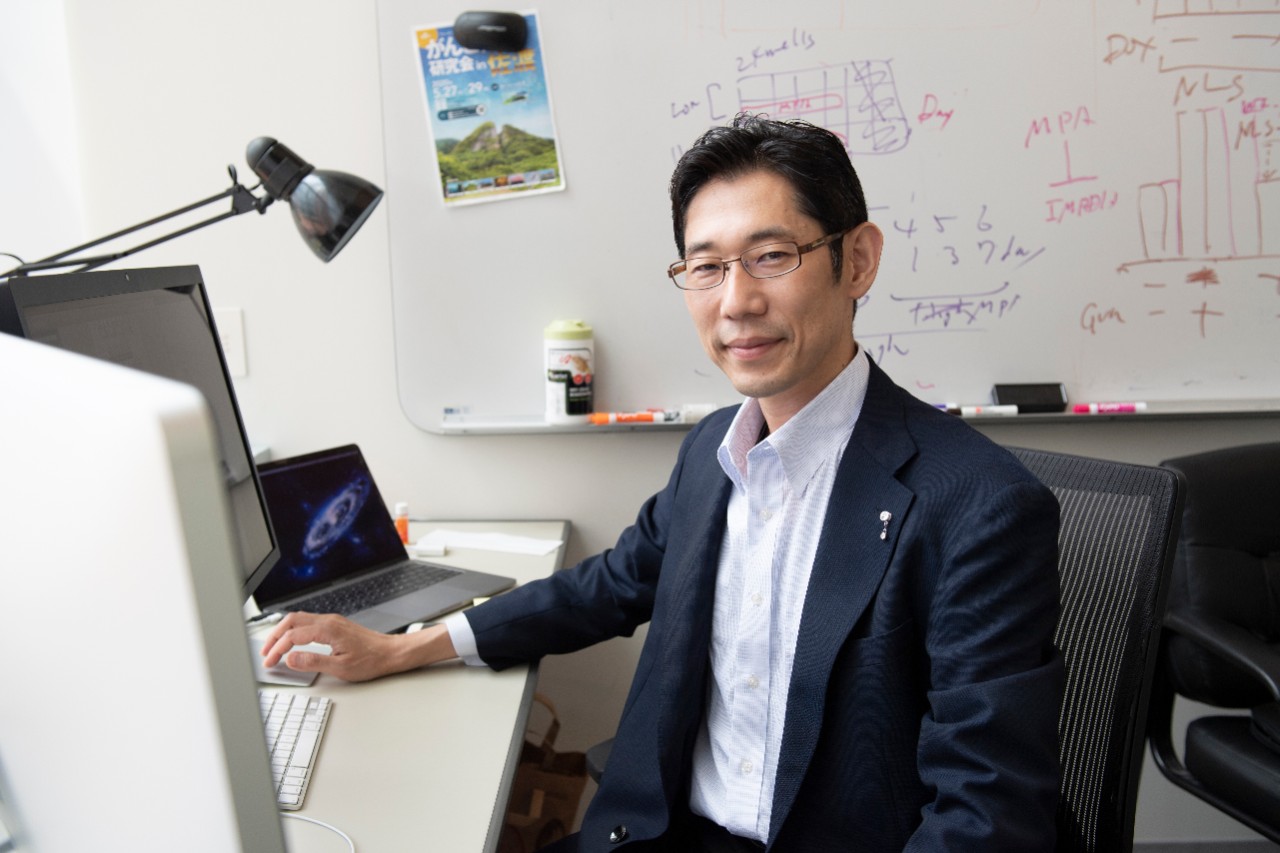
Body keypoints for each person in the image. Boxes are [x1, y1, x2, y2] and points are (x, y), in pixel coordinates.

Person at [263, 113, 1064, 852]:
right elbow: (611, 584)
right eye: (707, 266)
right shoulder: (715, 450)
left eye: (772, 256)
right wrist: (404, 647)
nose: (736, 302)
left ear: (856, 260)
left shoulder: (981, 506)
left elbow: (985, 812)